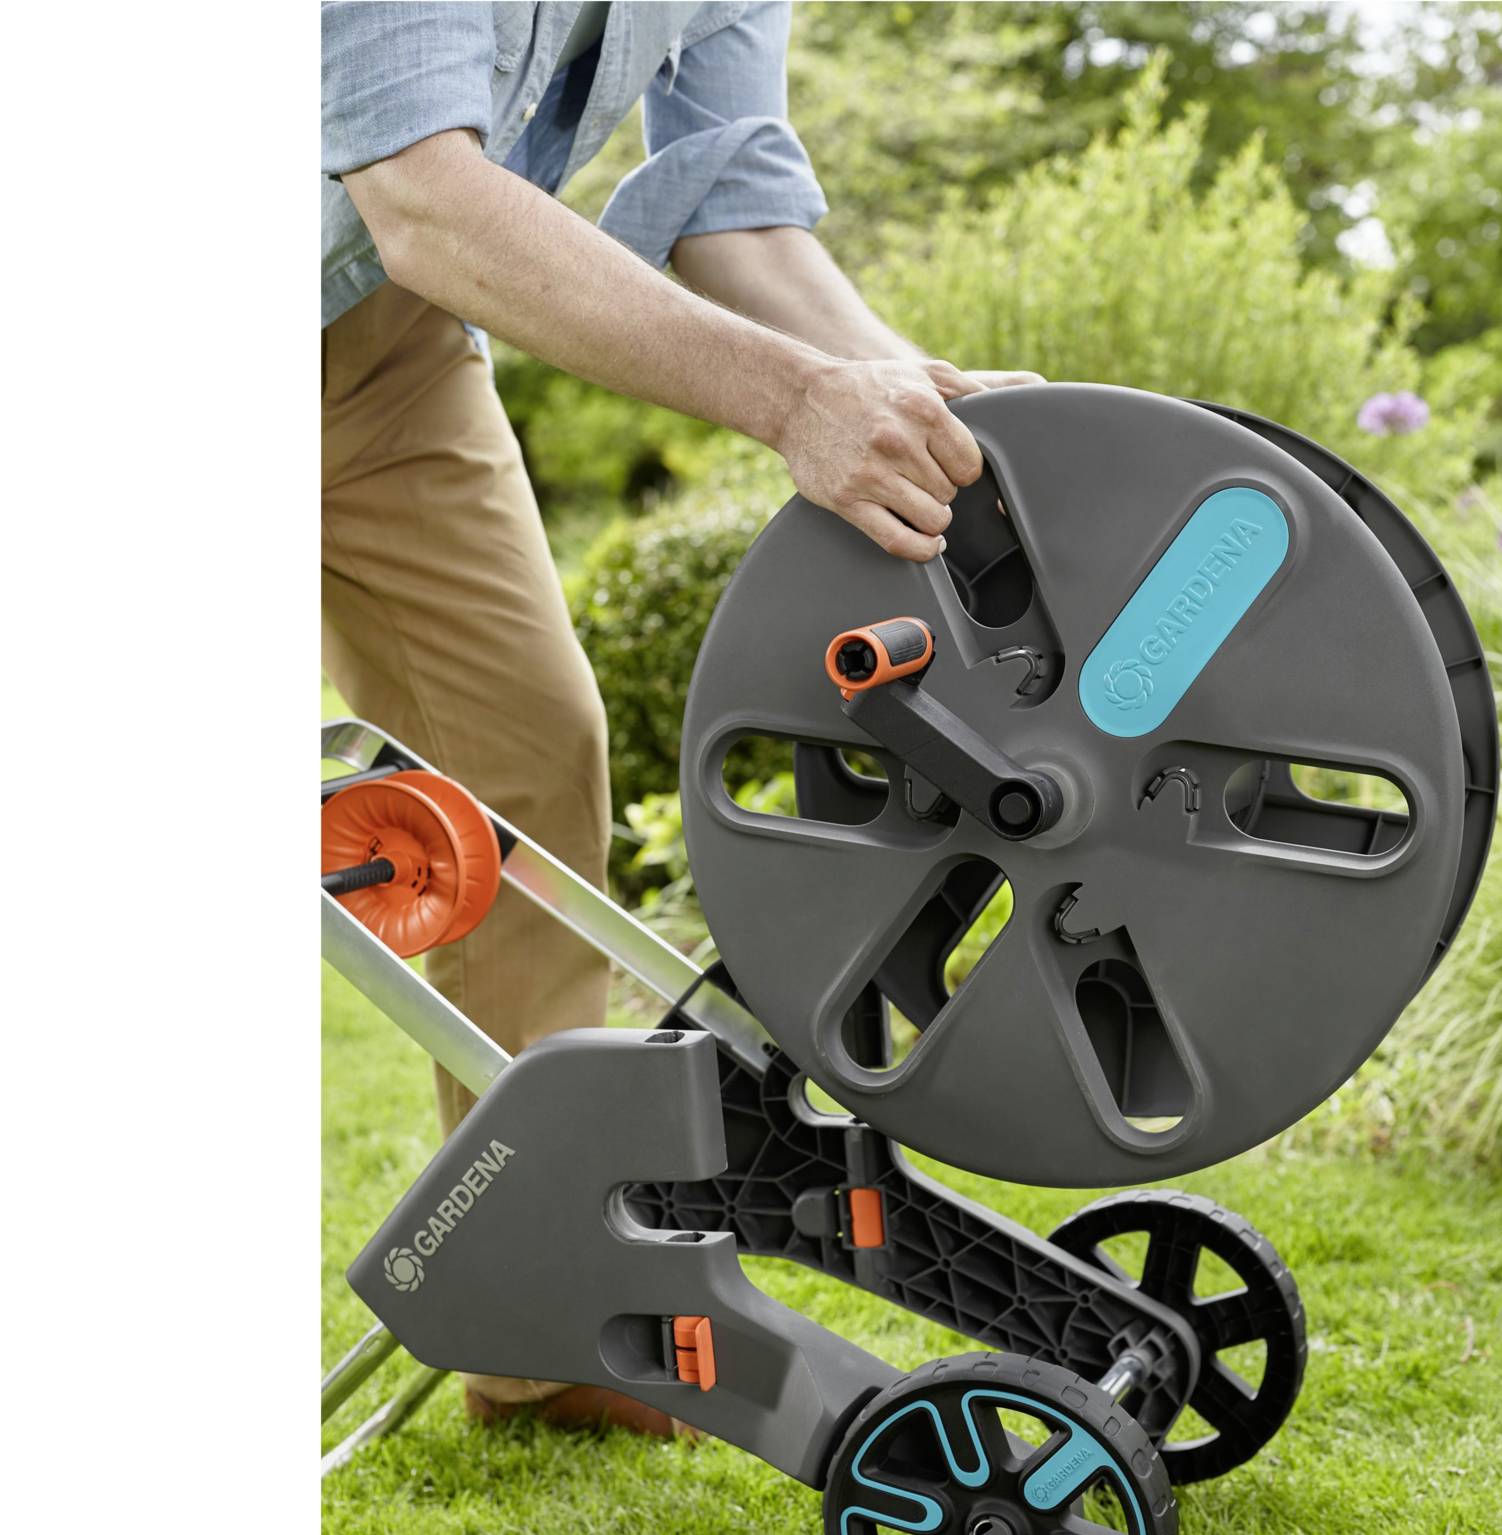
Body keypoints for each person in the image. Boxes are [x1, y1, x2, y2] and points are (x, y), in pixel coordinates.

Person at [322, 2, 1037, 1433]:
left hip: (382, 354)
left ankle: (538, 1328)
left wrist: (927, 409)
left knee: (523, 768)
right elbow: (426, 199)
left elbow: (733, 200)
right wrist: (795, 401)